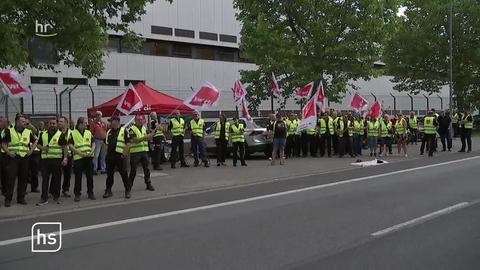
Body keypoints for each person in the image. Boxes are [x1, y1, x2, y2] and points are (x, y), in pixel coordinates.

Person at [1, 115, 37, 207]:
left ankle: (21, 198)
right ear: (17, 122)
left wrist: (31, 150)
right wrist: (9, 152)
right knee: (11, 178)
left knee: (23, 178)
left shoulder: (28, 132)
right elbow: (3, 144)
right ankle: (8, 199)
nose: (24, 123)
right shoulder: (9, 131)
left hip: (24, 158)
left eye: (25, 121)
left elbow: (35, 141)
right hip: (13, 158)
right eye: (22, 121)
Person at [36, 118, 68, 205]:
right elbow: (38, 145)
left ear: (56, 125)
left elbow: (65, 146)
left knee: (57, 179)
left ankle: (56, 197)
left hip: (57, 160)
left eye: (54, 124)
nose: (52, 125)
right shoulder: (43, 134)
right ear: (48, 125)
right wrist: (43, 148)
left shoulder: (60, 134)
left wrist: (65, 158)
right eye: (50, 123)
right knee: (45, 179)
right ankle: (44, 198)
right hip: (45, 160)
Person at [104, 116, 132, 199]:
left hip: (120, 156)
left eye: (112, 121)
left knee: (124, 174)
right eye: (111, 121)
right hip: (110, 156)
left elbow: (128, 143)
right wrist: (107, 153)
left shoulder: (124, 131)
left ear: (117, 122)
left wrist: (124, 153)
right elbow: (106, 143)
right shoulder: (109, 131)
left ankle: (127, 190)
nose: (111, 123)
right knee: (109, 175)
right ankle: (108, 190)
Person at [68, 117, 96, 201]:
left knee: (90, 176)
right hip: (78, 157)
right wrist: (79, 153)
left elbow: (93, 142)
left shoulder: (88, 132)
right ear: (80, 124)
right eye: (85, 123)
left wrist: (92, 151)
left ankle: (90, 192)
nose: (86, 124)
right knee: (78, 177)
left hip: (88, 157)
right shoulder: (73, 133)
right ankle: (77, 194)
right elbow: (70, 145)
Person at [129, 115, 157, 191]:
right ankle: (129, 186)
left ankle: (148, 184)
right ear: (135, 121)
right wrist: (145, 137)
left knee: (146, 170)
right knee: (133, 170)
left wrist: (154, 131)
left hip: (144, 152)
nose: (140, 121)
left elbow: (149, 137)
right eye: (138, 120)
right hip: (135, 152)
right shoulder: (131, 129)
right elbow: (134, 140)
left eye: (141, 120)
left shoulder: (144, 128)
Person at [57, 116, 73, 197]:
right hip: (57, 155)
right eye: (58, 121)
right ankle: (53, 190)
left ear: (66, 123)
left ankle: (65, 189)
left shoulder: (72, 132)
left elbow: (74, 144)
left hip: (69, 155)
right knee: (56, 174)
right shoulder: (56, 132)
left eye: (61, 121)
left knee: (67, 174)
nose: (59, 123)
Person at [0, 116, 7, 196]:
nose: (2, 123)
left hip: (5, 155)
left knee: (5, 173)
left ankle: (4, 190)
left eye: (3, 121)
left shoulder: (8, 131)